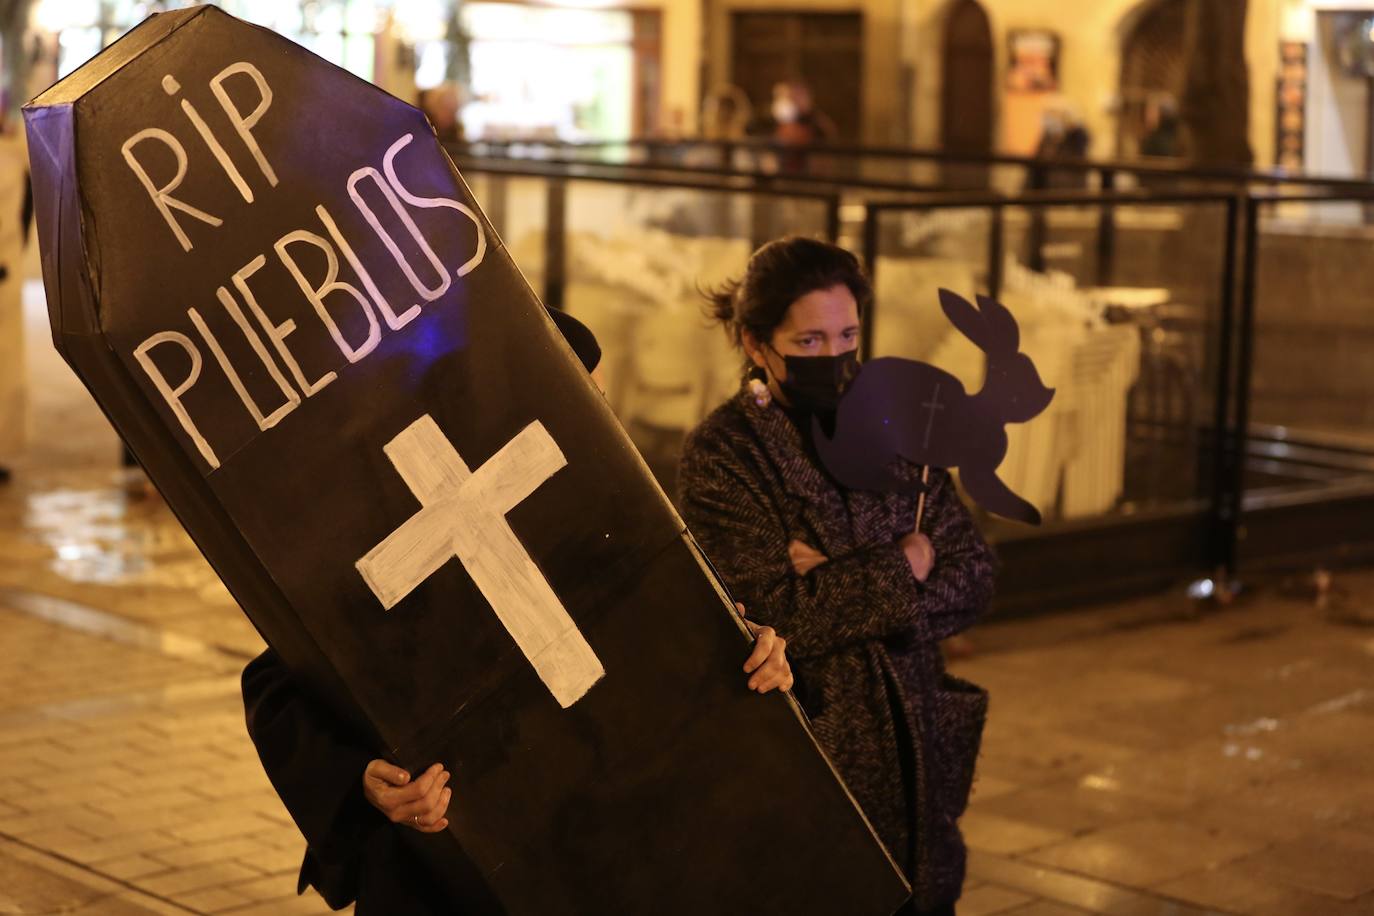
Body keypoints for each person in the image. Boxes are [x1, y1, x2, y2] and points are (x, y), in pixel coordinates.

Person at [242, 306, 795, 915]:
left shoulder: (618, 526)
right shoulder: (386, 526)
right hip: (445, 876)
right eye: (582, 397)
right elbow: (280, 684)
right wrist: (364, 782)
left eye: (601, 400)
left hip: (592, 856)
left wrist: (751, 651)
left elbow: (678, 662)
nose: (599, 420)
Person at [677, 237, 996, 915]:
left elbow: (974, 575)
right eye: (810, 341)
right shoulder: (726, 455)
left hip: (918, 765)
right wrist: (902, 564)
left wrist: (843, 581)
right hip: (815, 759)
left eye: (847, 335)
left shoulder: (890, 427)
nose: (835, 357)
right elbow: (769, 613)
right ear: (756, 344)